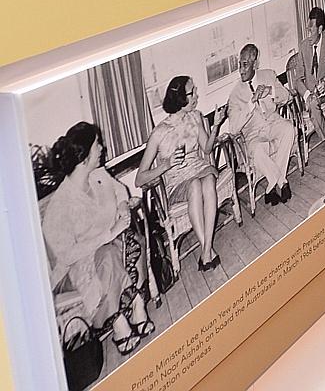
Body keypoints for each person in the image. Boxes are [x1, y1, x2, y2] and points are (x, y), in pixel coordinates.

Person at [42, 122, 154, 355]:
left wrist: (123, 206)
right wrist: (108, 234)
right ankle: (125, 314)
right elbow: (66, 254)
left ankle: (126, 317)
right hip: (77, 266)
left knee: (120, 247)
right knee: (109, 254)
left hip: (111, 245)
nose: (102, 148)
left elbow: (119, 190)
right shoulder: (59, 205)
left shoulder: (98, 175)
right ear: (83, 159)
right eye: (97, 145)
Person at [137, 76, 222, 271]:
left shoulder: (195, 116)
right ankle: (207, 250)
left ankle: (206, 251)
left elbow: (207, 149)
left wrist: (216, 125)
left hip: (199, 168)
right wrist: (165, 165)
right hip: (178, 181)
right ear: (180, 98)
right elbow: (139, 178)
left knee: (208, 179)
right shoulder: (159, 132)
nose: (196, 96)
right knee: (194, 185)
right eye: (192, 93)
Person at [224, 43, 297, 206]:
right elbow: (233, 128)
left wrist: (270, 91)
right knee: (256, 150)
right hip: (255, 136)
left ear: (255, 63)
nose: (241, 70)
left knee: (288, 128)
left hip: (273, 123)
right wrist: (251, 103)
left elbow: (287, 97)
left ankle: (271, 185)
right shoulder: (235, 95)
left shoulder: (268, 75)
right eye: (239, 65)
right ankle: (280, 181)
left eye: (245, 64)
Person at [291, 7, 325, 153]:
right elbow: (298, 79)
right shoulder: (303, 46)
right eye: (308, 30)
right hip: (311, 93)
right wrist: (307, 94)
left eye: (311, 30)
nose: (309, 34)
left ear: (320, 29)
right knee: (312, 103)